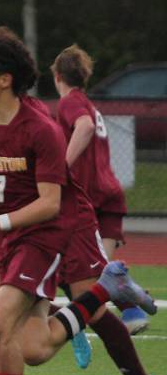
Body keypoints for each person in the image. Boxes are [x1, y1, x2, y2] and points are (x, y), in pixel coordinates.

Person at [0, 27, 157, 375]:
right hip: (10, 238)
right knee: (35, 348)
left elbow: (48, 205)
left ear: (5, 79)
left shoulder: (40, 128)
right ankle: (106, 289)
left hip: (44, 234)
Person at [51, 45, 151, 336]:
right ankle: (131, 310)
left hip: (89, 196)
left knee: (70, 265)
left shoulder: (70, 103)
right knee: (103, 269)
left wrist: (62, 167)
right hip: (110, 192)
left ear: (58, 76)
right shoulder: (89, 103)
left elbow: (83, 128)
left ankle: (79, 322)